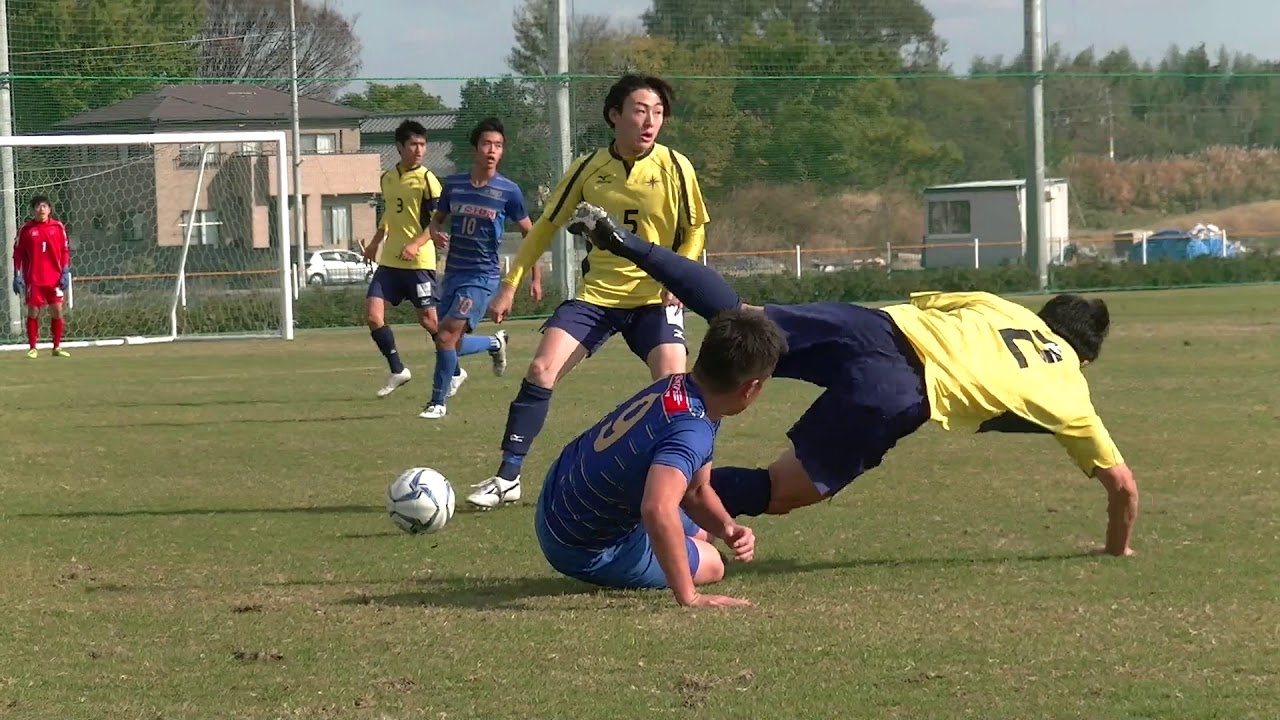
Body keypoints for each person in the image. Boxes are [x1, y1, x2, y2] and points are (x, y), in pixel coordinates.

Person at [565, 202, 1140, 557]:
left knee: (739, 317)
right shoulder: (1071, 391)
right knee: (782, 490)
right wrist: (1119, 547)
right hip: (896, 390)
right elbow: (1123, 488)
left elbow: (933, 306)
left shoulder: (1003, 307)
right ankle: (647, 499)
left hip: (873, 327)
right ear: (1084, 357)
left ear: (1044, 318)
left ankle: (622, 241)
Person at [467, 73, 711, 509]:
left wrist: (681, 276)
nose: (650, 120)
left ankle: (682, 489)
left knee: (675, 386)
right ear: (614, 116)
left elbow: (694, 232)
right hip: (597, 297)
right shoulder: (587, 168)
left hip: (655, 299)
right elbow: (544, 228)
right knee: (542, 369)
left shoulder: (676, 166)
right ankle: (507, 478)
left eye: (657, 113)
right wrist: (509, 285)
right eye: (640, 110)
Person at [535, 308, 788, 607]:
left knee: (706, 533)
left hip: (560, 494)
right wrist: (689, 596)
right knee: (713, 563)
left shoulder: (685, 387)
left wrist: (726, 527)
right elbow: (656, 508)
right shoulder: (691, 429)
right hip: (579, 543)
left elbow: (695, 491)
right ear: (750, 388)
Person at [420, 117, 542, 419]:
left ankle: (437, 402)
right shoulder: (454, 185)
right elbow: (436, 220)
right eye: (487, 144)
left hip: (482, 276)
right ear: (475, 148)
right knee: (447, 340)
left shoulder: (508, 191)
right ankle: (494, 343)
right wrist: (434, 232)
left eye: (498, 146)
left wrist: (534, 277)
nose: (492, 150)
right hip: (453, 273)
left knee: (446, 336)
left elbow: (533, 234)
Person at [362, 119, 452, 399]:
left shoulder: (427, 179)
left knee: (429, 321)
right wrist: (375, 243)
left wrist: (416, 244)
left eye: (423, 144)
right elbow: (390, 214)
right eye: (413, 144)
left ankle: (455, 368)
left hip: (419, 261)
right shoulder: (387, 178)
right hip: (390, 261)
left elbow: (437, 222)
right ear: (399, 147)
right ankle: (398, 369)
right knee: (373, 316)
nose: (419, 150)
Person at [12, 195, 71, 358]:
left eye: (44, 206)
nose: (41, 209)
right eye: (38, 206)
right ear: (33, 210)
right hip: (34, 279)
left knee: (58, 311)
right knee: (33, 312)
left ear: (49, 209)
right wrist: (17, 275)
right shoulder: (26, 229)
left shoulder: (58, 227)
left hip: (55, 279)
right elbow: (17, 254)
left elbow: (64, 250)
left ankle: (57, 347)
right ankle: (33, 347)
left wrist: (65, 270)